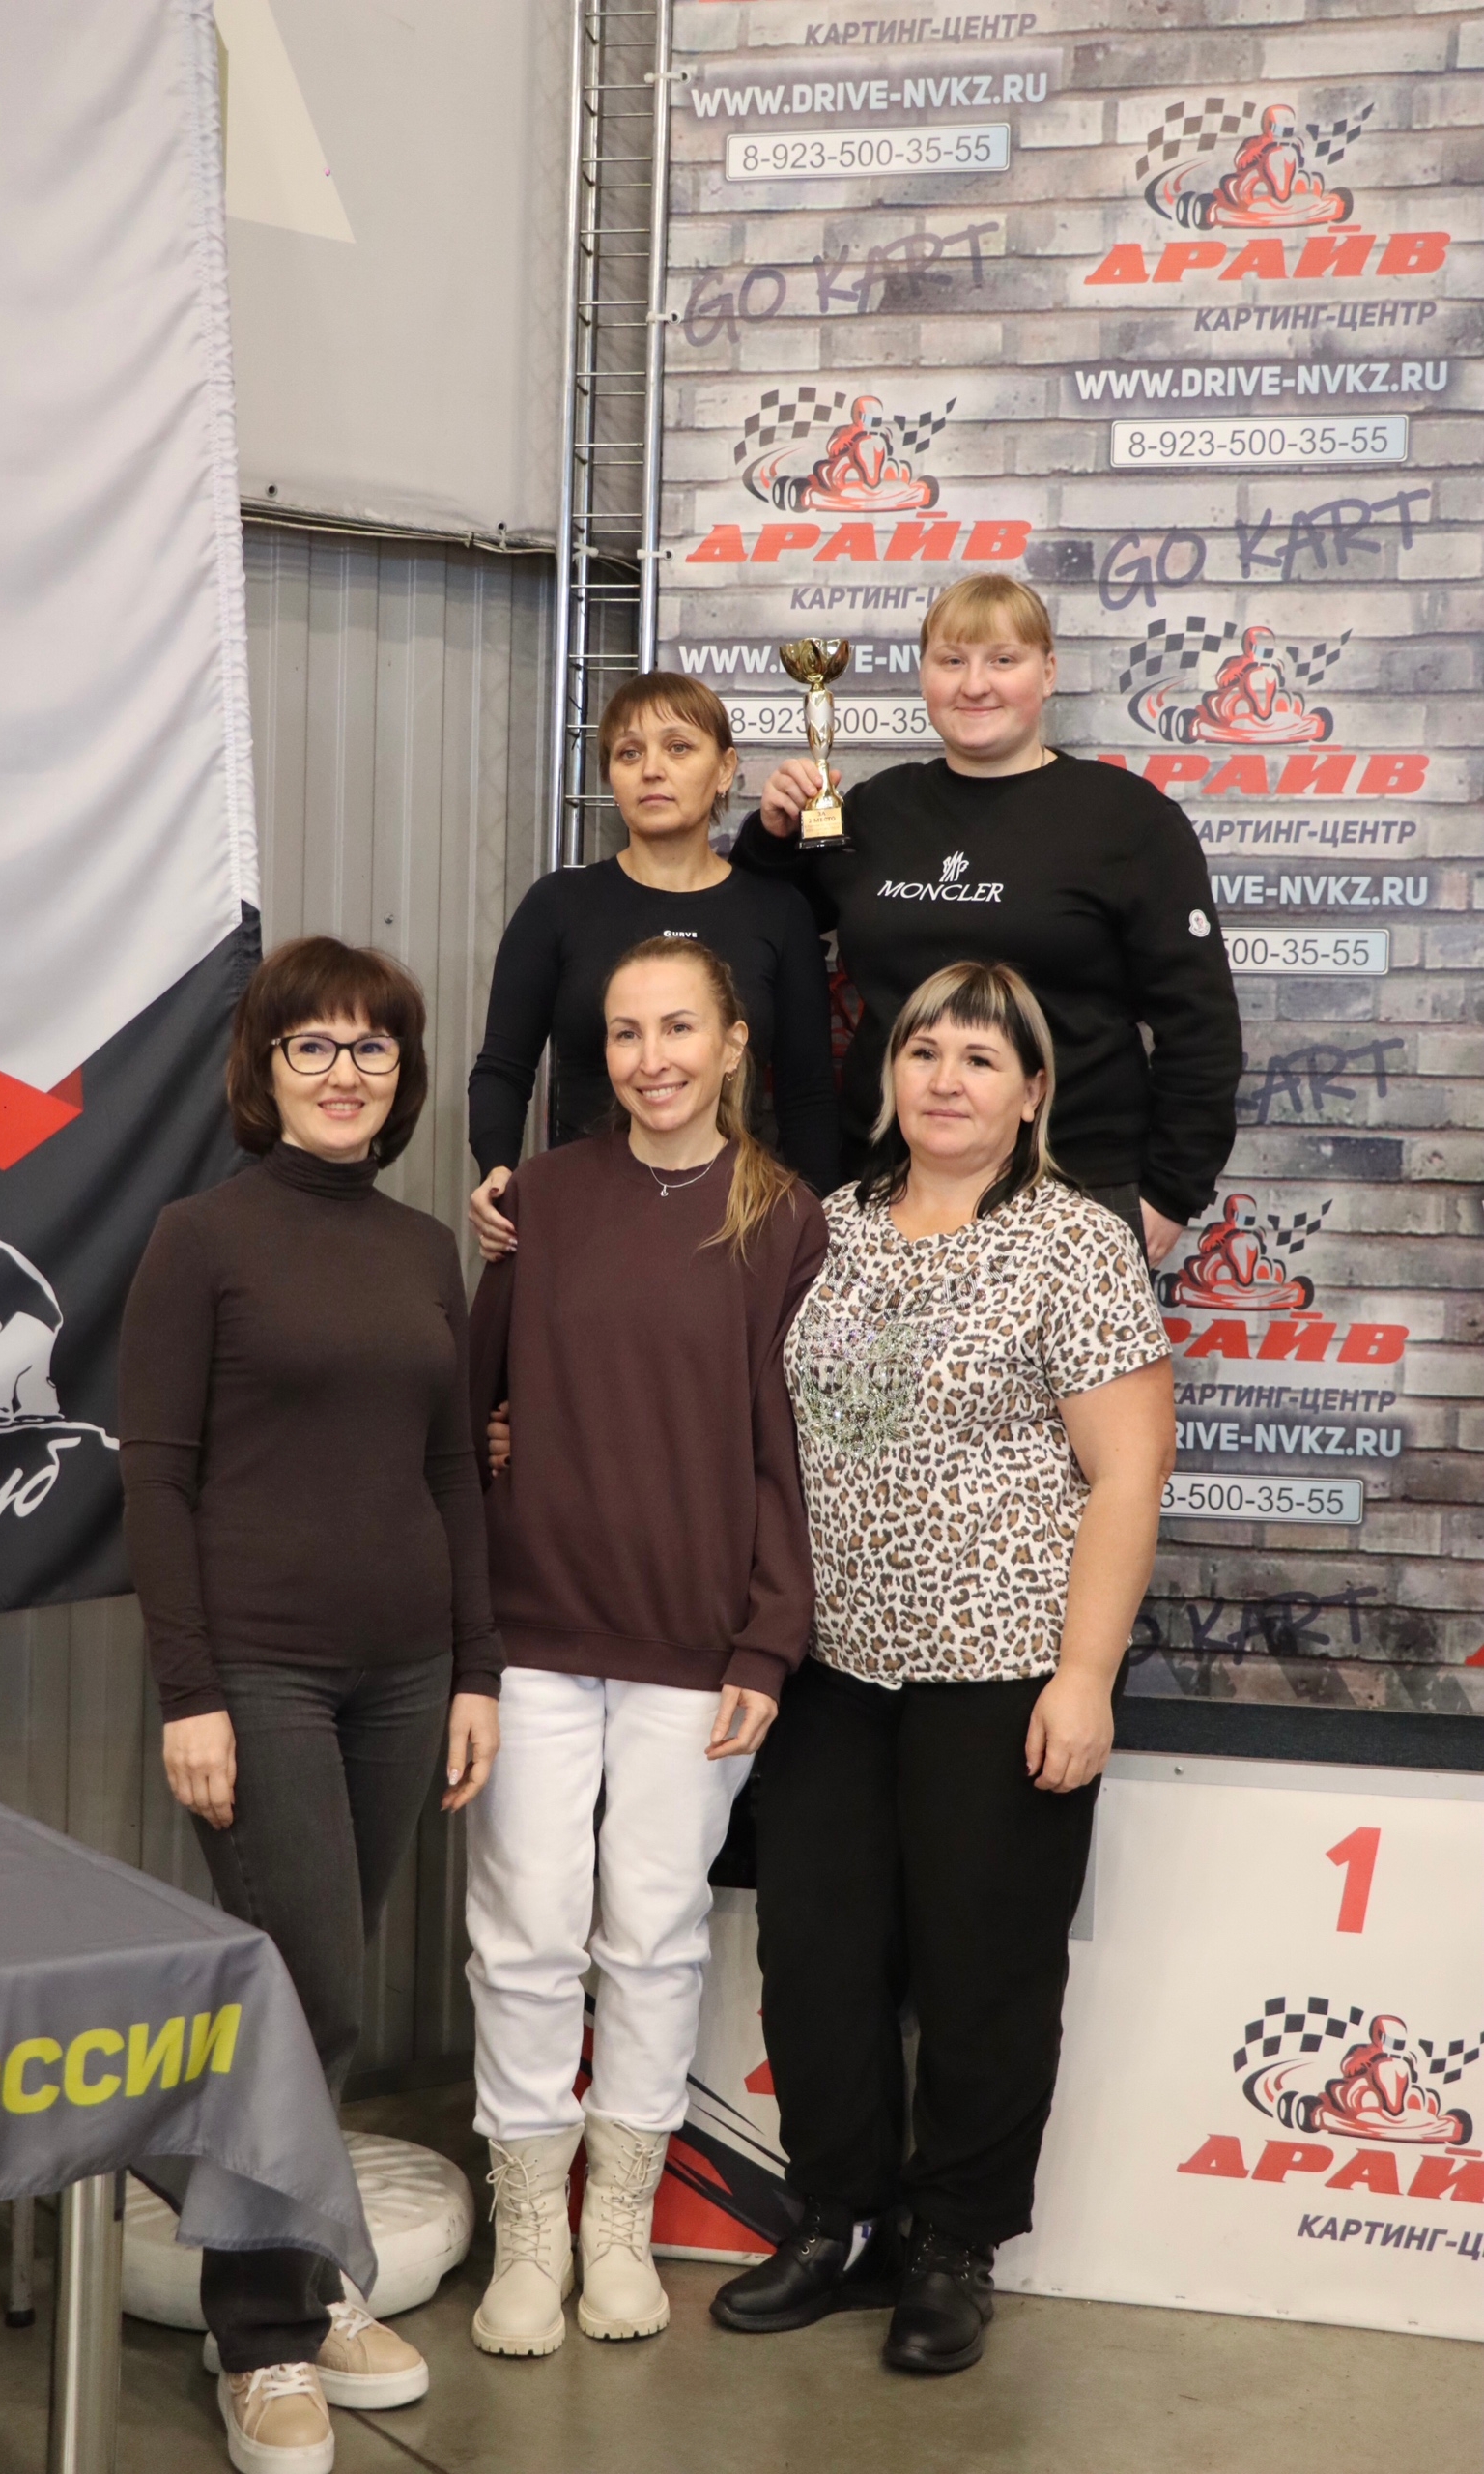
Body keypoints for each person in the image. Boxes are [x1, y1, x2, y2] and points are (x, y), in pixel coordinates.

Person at [712, 962, 1175, 2375]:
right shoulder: (827, 1227)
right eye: (923, 1050)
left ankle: (951, 2248)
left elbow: (1127, 1473)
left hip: (1004, 1667)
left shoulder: (1074, 1242)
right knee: (815, 1957)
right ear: (888, 1075)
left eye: (981, 1057)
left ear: (1031, 1092)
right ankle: (836, 2221)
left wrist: (1082, 1675)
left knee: (983, 1970)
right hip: (830, 1667)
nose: (946, 1078)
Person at [119, 935, 503, 2474]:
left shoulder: (421, 1250)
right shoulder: (198, 1240)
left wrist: (473, 1669)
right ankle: (263, 2339)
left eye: (372, 1048)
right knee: (308, 1994)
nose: (345, 1073)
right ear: (264, 1071)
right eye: (313, 1047)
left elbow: (449, 1474)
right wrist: (191, 1694)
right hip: (259, 1672)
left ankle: (304, 2272)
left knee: (313, 1997)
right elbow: (156, 1481)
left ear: (402, 1077)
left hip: (403, 1675)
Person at [463, 937, 827, 2358]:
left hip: (699, 1643)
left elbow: (797, 1453)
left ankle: (617, 2219)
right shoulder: (540, 1200)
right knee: (525, 1933)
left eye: (679, 1028)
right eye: (624, 1033)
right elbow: (468, 1408)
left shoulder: (780, 1217)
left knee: (654, 1933)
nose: (651, 1057)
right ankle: (529, 2226)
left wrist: (767, 1643)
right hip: (535, 1629)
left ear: (732, 1044)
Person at [732, 571, 1241, 1266]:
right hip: (889, 1184)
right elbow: (762, 929)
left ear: (1048, 672)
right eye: (952, 660)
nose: (975, 685)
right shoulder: (874, 812)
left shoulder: (1127, 820)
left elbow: (1200, 1025)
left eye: (1003, 659)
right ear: (924, 677)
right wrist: (771, 837)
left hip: (1077, 1189)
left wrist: (1171, 1192)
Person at [468, 673, 838, 1262]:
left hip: (739, 1225)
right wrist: (496, 1168)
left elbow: (808, 1093)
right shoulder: (558, 905)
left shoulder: (779, 912)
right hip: (585, 1220)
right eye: (629, 753)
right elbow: (503, 1068)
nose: (652, 770)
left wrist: (816, 1229)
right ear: (611, 776)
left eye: (679, 747)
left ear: (725, 768)